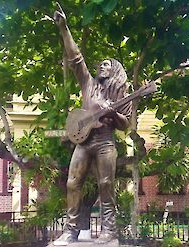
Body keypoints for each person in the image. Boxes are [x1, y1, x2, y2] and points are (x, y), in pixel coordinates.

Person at [53, 4, 132, 246]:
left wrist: (114, 112)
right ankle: (70, 231)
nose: (101, 66)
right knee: (72, 183)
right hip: (84, 141)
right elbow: (76, 59)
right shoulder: (89, 85)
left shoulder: (121, 93)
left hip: (106, 141)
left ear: (116, 70)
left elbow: (125, 124)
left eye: (106, 64)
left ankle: (109, 232)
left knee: (106, 185)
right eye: (100, 65)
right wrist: (64, 28)